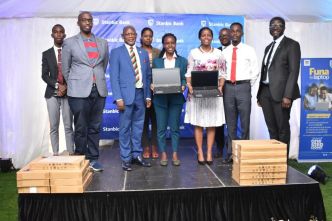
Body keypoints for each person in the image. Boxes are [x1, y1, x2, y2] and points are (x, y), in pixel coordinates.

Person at [62, 12, 109, 172]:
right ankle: (80, 157)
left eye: (89, 20)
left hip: (99, 90)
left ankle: (93, 159)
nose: (87, 22)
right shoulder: (69, 43)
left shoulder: (103, 42)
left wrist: (95, 79)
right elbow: (65, 69)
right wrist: (75, 84)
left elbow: (103, 64)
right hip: (78, 92)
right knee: (81, 126)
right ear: (78, 23)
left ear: (92, 22)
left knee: (95, 126)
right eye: (84, 20)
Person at [109, 25, 152, 171]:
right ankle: (126, 158)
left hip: (141, 94)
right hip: (125, 97)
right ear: (123, 36)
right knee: (125, 128)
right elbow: (114, 77)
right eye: (128, 34)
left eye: (133, 33)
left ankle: (136, 155)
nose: (131, 36)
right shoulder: (116, 52)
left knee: (139, 127)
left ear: (136, 35)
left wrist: (147, 96)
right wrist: (118, 98)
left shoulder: (143, 53)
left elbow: (147, 76)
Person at [257, 16, 301, 156]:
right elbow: (266, 70)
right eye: (272, 25)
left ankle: (283, 161)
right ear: (269, 28)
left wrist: (288, 95)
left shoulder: (292, 45)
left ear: (284, 28)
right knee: (271, 128)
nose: (275, 27)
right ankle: (274, 158)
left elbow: (294, 71)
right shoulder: (268, 47)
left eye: (279, 25)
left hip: (282, 94)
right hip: (265, 92)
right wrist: (260, 95)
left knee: (282, 128)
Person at [185, 27, 226, 165]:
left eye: (209, 35)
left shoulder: (219, 53)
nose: (206, 37)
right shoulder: (193, 53)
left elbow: (222, 73)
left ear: (212, 37)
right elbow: (189, 73)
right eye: (203, 35)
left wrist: (220, 87)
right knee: (198, 124)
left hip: (213, 94)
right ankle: (200, 153)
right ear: (200, 37)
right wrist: (189, 86)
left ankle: (209, 152)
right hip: (197, 93)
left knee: (211, 124)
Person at [222, 22, 259, 164]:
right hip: (228, 88)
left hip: (244, 87)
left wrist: (246, 86)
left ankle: (244, 154)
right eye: (233, 31)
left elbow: (255, 71)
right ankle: (231, 153)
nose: (235, 33)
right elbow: (222, 71)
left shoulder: (249, 50)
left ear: (241, 33)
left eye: (238, 31)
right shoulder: (224, 52)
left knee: (245, 123)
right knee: (230, 123)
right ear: (230, 33)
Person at [151, 33, 187, 166]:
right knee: (160, 128)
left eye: (172, 43)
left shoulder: (182, 61)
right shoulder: (157, 61)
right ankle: (164, 153)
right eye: (167, 43)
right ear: (163, 45)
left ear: (175, 44)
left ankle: (175, 153)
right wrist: (152, 84)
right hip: (160, 99)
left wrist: (183, 84)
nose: (170, 45)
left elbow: (184, 77)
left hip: (176, 99)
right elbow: (153, 78)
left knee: (175, 128)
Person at [42, 24, 74, 156]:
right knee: (54, 126)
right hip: (52, 94)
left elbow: (73, 71)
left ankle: (71, 153)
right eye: (56, 32)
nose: (59, 34)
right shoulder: (47, 54)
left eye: (61, 32)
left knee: (68, 125)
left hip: (67, 93)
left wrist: (66, 86)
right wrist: (57, 86)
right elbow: (44, 75)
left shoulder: (70, 52)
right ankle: (55, 154)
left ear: (65, 35)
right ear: (52, 35)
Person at [140, 27, 160, 159]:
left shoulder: (158, 52)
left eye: (150, 36)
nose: (148, 38)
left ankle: (154, 146)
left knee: (156, 120)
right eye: (146, 36)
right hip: (142, 89)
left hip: (157, 90)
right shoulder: (137, 51)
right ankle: (146, 146)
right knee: (143, 120)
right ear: (141, 37)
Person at [214, 27, 231, 159]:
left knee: (231, 120)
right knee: (218, 121)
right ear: (219, 38)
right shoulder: (216, 52)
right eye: (221, 36)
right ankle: (219, 147)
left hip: (232, 87)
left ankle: (231, 148)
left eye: (226, 35)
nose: (224, 37)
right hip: (218, 89)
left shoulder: (238, 50)